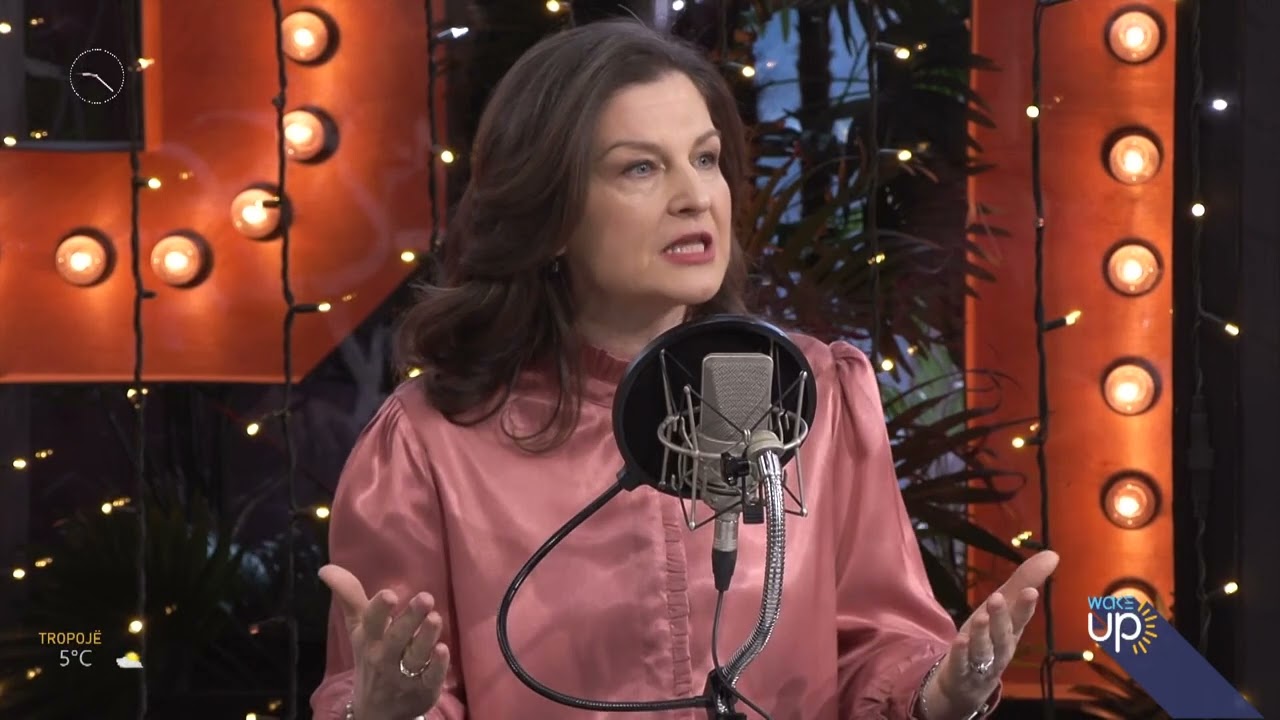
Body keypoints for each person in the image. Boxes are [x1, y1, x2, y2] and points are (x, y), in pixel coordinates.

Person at [310, 17, 1058, 720]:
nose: (695, 197)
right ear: (550, 211)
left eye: (705, 159)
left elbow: (879, 642)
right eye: (640, 168)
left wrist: (938, 690)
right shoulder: (430, 441)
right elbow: (382, 686)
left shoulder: (813, 392)